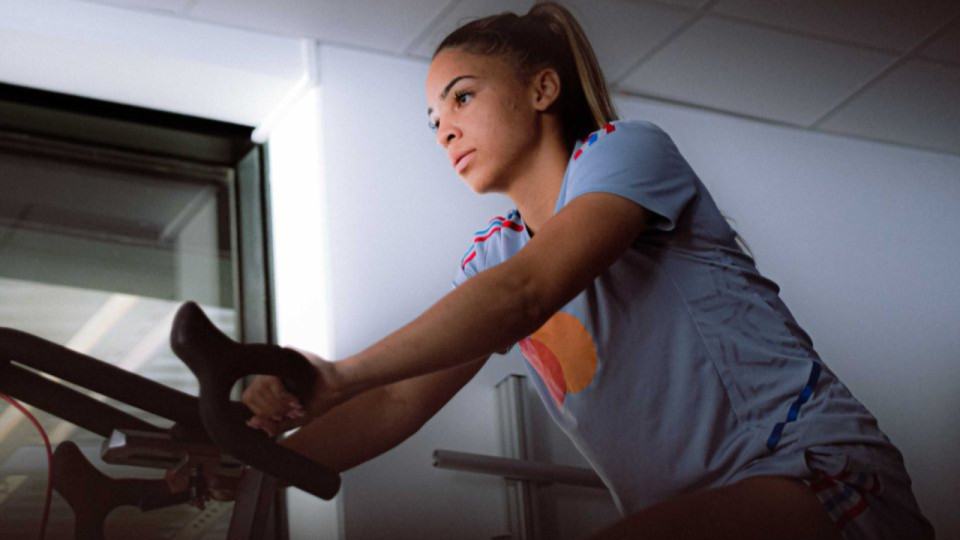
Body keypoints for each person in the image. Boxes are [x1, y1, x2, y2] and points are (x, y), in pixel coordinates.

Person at [242, 3, 934, 539]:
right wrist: (249, 466)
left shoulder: (624, 153)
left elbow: (526, 294)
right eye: (432, 119)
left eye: (461, 97)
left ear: (543, 88)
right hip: (702, 507)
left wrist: (338, 375)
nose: (444, 128)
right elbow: (395, 402)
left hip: (811, 470)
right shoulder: (497, 252)